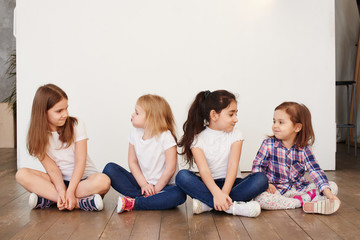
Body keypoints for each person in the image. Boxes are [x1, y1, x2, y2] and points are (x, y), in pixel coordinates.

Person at [16, 84, 110, 211]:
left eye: (66, 108)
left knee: (103, 181)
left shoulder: (76, 124)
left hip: (82, 180)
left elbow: (80, 161)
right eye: (59, 111)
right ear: (43, 112)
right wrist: (61, 189)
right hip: (57, 181)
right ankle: (79, 202)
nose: (65, 114)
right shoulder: (37, 136)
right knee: (22, 174)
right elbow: (52, 169)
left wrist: (70, 191)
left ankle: (51, 199)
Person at [176, 90, 268, 217]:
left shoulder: (236, 134)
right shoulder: (197, 139)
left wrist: (223, 193)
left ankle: (208, 205)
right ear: (214, 115)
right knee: (182, 176)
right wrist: (217, 194)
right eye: (231, 114)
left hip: (232, 184)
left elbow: (232, 165)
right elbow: (204, 171)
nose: (236, 119)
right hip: (209, 185)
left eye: (236, 114)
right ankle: (232, 208)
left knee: (261, 179)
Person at [252, 101, 340, 214]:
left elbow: (315, 171)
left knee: (332, 186)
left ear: (297, 127)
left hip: (299, 188)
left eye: (281, 122)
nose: (275, 126)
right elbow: (257, 167)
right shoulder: (268, 144)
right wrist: (266, 184)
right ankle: (302, 202)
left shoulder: (304, 149)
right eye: (274, 121)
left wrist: (329, 194)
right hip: (276, 190)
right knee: (261, 199)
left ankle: (307, 200)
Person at [103, 94, 186, 213]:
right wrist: (144, 185)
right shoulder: (134, 133)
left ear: (151, 118)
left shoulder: (166, 137)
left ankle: (135, 203)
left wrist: (156, 189)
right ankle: (149, 199)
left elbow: (170, 169)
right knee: (109, 169)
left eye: (137, 113)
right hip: (143, 184)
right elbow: (132, 162)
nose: (132, 114)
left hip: (164, 186)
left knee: (179, 195)